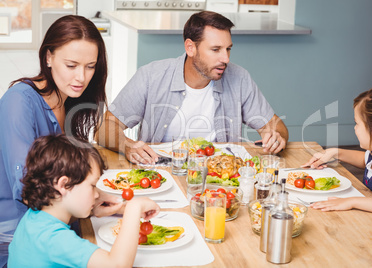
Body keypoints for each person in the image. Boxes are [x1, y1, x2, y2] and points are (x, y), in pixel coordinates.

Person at [0, 15, 122, 266]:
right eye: (71, 65)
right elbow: (27, 188)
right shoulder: (19, 101)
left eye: (90, 66)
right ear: (48, 57)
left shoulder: (68, 100)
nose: (82, 77)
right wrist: (87, 205)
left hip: (57, 222)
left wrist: (95, 199)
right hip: (17, 235)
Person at [97, 11, 289, 164]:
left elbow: (275, 125)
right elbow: (105, 129)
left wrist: (276, 137)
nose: (226, 59)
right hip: (161, 172)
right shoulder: (151, 76)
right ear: (190, 47)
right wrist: (127, 145)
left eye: (228, 49)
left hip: (219, 177)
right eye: (215, 50)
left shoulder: (239, 78)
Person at [7, 134, 160, 267]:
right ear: (64, 185)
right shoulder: (54, 240)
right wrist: (134, 208)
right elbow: (117, 264)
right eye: (92, 186)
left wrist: (93, 210)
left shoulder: (35, 217)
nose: (96, 194)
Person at [303, 85, 372, 216]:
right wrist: (334, 152)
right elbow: (363, 159)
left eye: (357, 123)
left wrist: (352, 202)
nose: (355, 128)